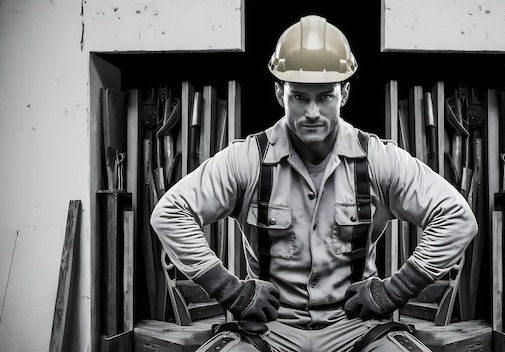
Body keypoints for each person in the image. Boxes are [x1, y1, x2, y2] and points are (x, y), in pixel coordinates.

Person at [151, 14, 478, 352]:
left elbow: (457, 218)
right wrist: (230, 290)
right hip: (268, 327)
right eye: (299, 97)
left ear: (345, 93)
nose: (312, 112)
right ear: (280, 93)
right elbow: (170, 213)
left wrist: (394, 291)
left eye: (325, 97)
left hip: (355, 326)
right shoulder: (247, 159)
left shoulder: (378, 159)